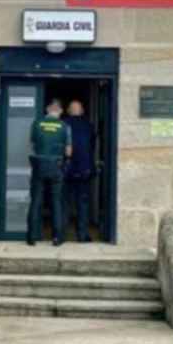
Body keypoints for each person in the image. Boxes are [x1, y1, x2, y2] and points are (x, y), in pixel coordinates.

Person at [26, 99, 72, 246]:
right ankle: (57, 238)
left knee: (36, 201)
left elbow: (32, 144)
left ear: (47, 109)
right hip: (56, 165)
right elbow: (68, 151)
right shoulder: (65, 126)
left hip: (39, 165)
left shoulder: (37, 123)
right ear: (60, 111)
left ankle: (31, 237)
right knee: (56, 202)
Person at [63, 100, 96, 242]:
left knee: (64, 203)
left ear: (68, 111)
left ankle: (61, 234)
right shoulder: (89, 126)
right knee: (83, 204)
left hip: (66, 170)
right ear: (82, 111)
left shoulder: (63, 124)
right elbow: (92, 146)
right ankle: (82, 235)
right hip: (84, 169)